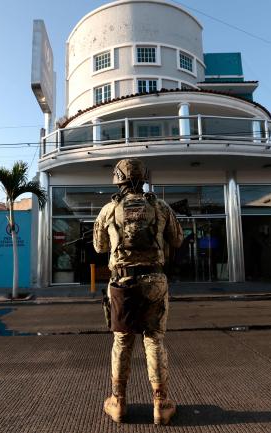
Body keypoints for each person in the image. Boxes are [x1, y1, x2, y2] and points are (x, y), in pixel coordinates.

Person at [93, 158, 183, 425]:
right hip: (155, 279)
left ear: (118, 179)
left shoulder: (109, 209)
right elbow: (178, 239)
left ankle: (118, 403)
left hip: (122, 283)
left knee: (122, 342)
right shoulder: (160, 206)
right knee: (154, 340)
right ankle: (161, 403)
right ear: (143, 178)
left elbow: (99, 247)